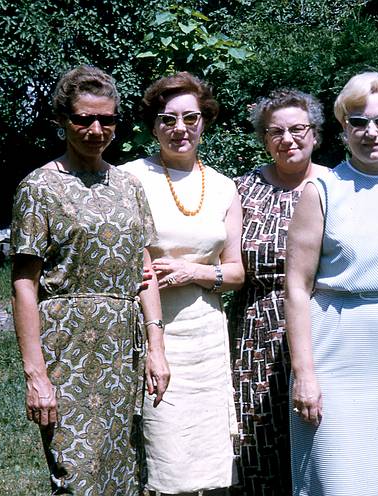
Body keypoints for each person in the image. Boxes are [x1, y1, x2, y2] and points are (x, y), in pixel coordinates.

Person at [10, 65, 170, 494]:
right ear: (64, 120)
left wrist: (156, 348)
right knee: (76, 474)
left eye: (107, 119)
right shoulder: (39, 187)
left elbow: (145, 269)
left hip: (123, 348)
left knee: (122, 473)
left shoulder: (130, 186)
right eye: (83, 119)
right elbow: (24, 283)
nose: (96, 130)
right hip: (68, 346)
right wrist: (35, 374)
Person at [286, 71, 378, 495]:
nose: (371, 133)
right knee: (335, 478)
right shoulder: (321, 191)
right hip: (333, 349)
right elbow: (297, 288)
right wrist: (304, 373)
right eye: (358, 122)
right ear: (343, 129)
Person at [121, 72, 244, 495]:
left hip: (206, 334)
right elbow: (133, 263)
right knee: (163, 451)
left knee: (208, 462)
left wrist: (195, 272)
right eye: (168, 119)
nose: (180, 128)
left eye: (190, 117)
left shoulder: (226, 187)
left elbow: (235, 272)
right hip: (150, 328)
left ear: (204, 121)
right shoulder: (129, 179)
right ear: (153, 126)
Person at [229, 88, 328, 495]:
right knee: (256, 440)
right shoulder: (242, 189)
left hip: (321, 327)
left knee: (319, 436)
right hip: (256, 330)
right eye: (276, 132)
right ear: (264, 139)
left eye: (298, 129)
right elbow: (229, 259)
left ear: (316, 134)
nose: (288, 139)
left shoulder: (334, 186)